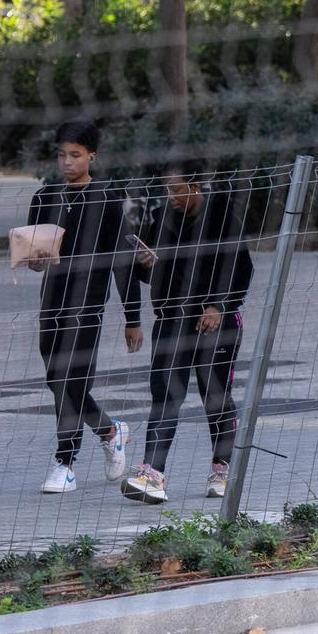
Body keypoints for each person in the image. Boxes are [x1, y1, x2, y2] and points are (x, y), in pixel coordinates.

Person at [26, 120, 149, 494]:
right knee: (55, 379)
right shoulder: (45, 197)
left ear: (91, 156)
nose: (67, 162)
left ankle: (65, 463)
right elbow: (34, 253)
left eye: (75, 155)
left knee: (70, 380)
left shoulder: (107, 200)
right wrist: (33, 259)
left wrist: (133, 318)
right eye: (62, 154)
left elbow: (122, 262)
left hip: (88, 304)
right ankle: (110, 430)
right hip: (52, 301)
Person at [123, 160, 253, 504]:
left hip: (214, 322)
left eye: (177, 189)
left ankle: (222, 469)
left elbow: (242, 269)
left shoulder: (221, 215)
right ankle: (153, 473)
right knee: (165, 395)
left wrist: (219, 305)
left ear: (196, 186)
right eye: (167, 190)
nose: (172, 196)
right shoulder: (161, 218)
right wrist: (146, 263)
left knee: (215, 396)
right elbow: (150, 274)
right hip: (170, 320)